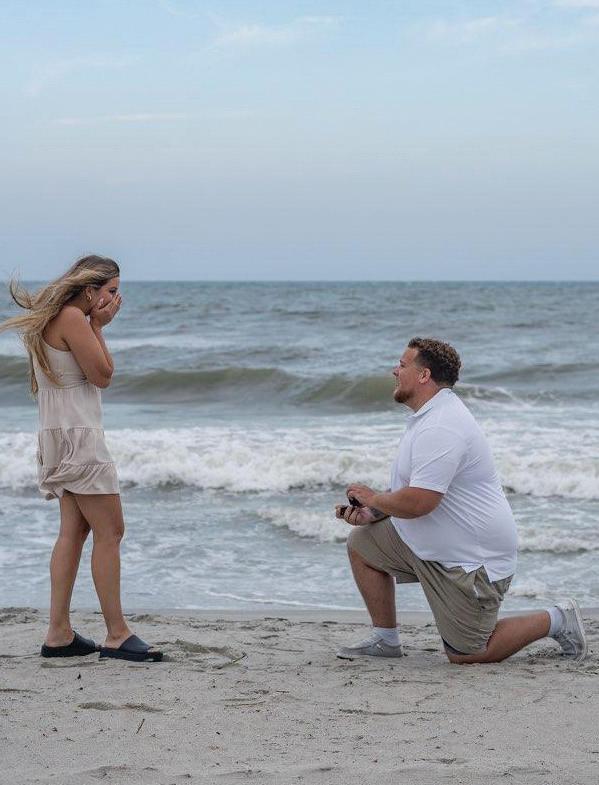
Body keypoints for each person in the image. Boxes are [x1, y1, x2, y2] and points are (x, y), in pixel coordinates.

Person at [335, 337, 587, 664]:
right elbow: (410, 492)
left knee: (467, 653)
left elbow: (420, 503)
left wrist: (374, 496)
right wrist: (374, 511)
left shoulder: (442, 426)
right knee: (362, 543)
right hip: (430, 546)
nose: (394, 370)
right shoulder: (427, 417)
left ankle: (558, 618)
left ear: (424, 375)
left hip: (471, 561)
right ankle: (385, 640)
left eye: (402, 365)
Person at [1, 256, 162, 662]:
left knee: (73, 532)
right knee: (112, 531)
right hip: (80, 438)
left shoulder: (54, 318)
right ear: (90, 290)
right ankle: (117, 633)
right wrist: (98, 327)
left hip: (59, 435)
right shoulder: (74, 318)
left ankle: (58, 633)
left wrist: (95, 325)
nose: (115, 299)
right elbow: (103, 375)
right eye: (111, 291)